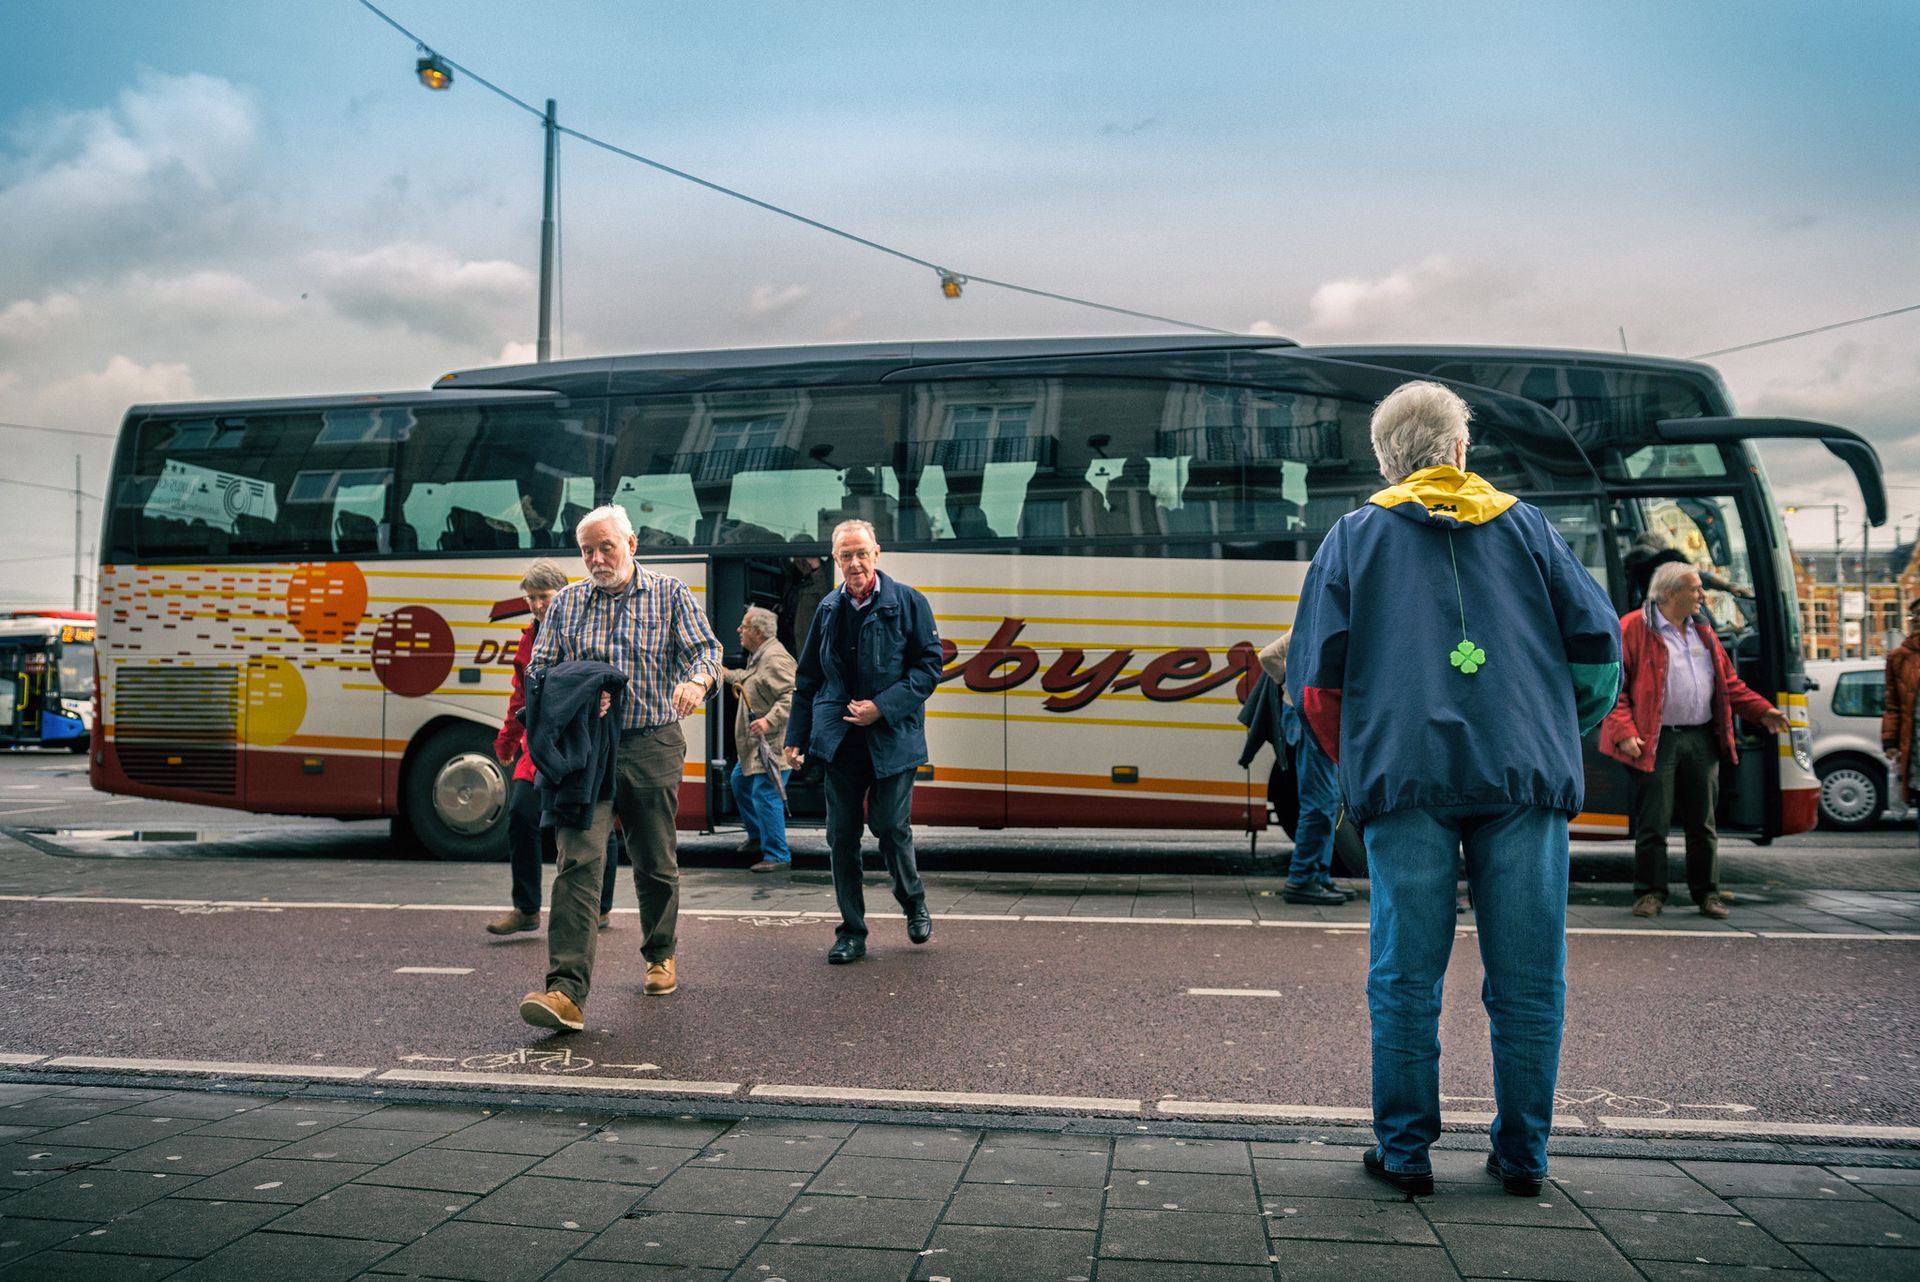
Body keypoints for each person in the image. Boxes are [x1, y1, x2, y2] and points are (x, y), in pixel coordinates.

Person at [1287, 380, 1621, 1199]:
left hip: (1405, 777)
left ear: (1386, 462)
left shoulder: (1354, 536)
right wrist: (1549, 724)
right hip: (1523, 775)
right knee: (1530, 976)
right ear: (1462, 452)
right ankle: (1523, 1155)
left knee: (1405, 972)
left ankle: (1405, 1153)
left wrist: (1359, 758)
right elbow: (1601, 648)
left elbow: (1315, 686)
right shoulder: (1528, 527)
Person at [516, 504, 722, 1031]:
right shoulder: (564, 603)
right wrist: (580, 692)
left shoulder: (670, 593)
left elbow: (706, 651)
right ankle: (565, 991)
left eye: (606, 546)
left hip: (652, 742)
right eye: (587, 550)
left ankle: (660, 952)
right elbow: (539, 671)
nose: (596, 558)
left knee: (654, 861)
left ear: (632, 544)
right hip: (588, 753)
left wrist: (697, 682)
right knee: (578, 863)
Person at [783, 519, 942, 964]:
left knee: (890, 827)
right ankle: (852, 931)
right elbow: (808, 678)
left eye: (861, 553)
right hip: (841, 741)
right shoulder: (828, 610)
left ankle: (913, 902)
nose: (854, 563)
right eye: (845, 555)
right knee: (842, 837)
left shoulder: (909, 603)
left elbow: (929, 669)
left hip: (892, 737)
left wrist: (882, 706)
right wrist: (797, 736)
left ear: (877, 553)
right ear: (835, 560)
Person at [1601, 562, 1789, 921]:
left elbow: (1729, 684)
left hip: (1700, 738)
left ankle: (1707, 894)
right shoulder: (1632, 628)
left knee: (1702, 824)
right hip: (1656, 741)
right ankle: (1650, 894)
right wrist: (1624, 732)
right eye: (1695, 588)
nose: (1703, 595)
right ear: (1669, 593)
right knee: (1653, 823)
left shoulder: (1703, 631)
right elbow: (1615, 689)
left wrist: (1762, 711)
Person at [487, 559, 619, 936]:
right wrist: (508, 739)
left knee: (594, 820)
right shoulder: (528, 637)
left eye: (542, 596)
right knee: (520, 813)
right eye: (530, 598)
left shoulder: (585, 626)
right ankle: (526, 908)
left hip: (583, 741)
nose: (536, 605)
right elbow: (521, 694)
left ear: (562, 592)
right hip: (540, 746)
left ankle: (600, 907)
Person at [1257, 634, 1349, 905]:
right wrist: (1293, 680)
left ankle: (1319, 875)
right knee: (1320, 802)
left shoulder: (1317, 618)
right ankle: (1302, 877)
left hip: (1309, 717)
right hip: (1310, 717)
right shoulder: (1310, 622)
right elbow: (1267, 656)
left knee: (1328, 799)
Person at [721, 605, 797, 872]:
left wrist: (768, 720)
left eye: (744, 626)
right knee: (739, 781)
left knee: (766, 793)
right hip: (756, 747)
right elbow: (750, 679)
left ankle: (777, 855)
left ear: (758, 631)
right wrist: (724, 674)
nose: (739, 630)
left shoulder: (775, 658)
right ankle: (758, 837)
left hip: (772, 745)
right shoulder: (760, 655)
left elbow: (792, 696)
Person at [1884, 598, 1920, 848]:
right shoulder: (1899, 657)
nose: (1916, 620)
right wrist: (1890, 741)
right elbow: (1893, 703)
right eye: (1914, 616)